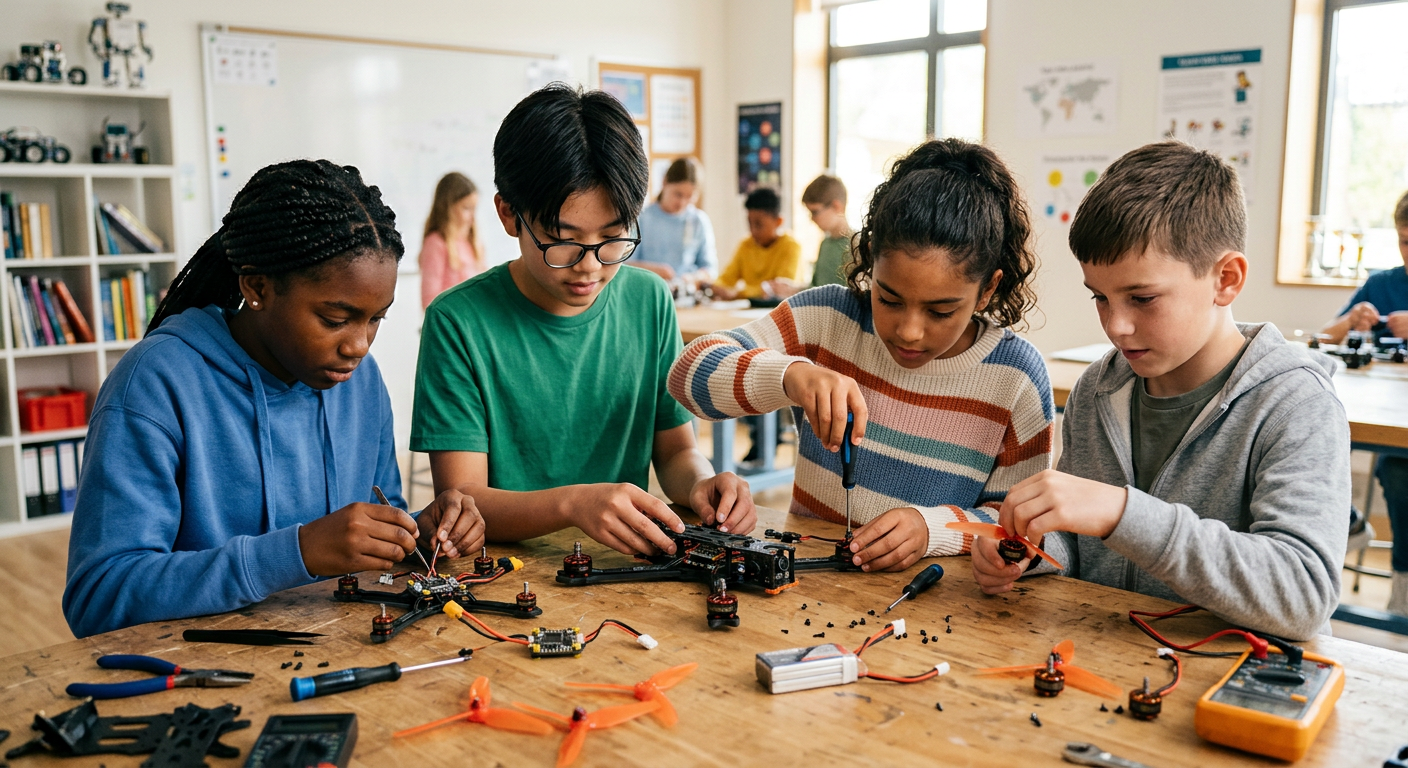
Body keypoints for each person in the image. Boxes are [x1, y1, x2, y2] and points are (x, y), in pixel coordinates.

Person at [63, 160, 482, 637]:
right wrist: (296, 553)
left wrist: (418, 535)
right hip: (197, 674)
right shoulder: (154, 384)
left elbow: (379, 520)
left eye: (375, 320)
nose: (359, 346)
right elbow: (97, 597)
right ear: (257, 287)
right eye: (334, 318)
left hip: (335, 654)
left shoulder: (360, 381)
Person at [970, 142, 1350, 640]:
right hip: (1106, 660)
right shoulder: (1100, 388)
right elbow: (1082, 545)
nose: (1117, 326)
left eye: (1142, 298)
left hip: (1218, 678)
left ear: (1226, 280)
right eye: (1100, 298)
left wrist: (1124, 513)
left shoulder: (1295, 405)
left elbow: (1303, 596)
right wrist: (1032, 553)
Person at [671, 139, 1051, 572]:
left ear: (987, 289)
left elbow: (1025, 531)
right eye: (888, 298)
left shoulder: (1016, 378)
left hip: (933, 613)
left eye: (941, 310)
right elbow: (688, 374)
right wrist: (791, 375)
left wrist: (934, 530)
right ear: (871, 260)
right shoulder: (828, 318)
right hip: (810, 592)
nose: (908, 330)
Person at [411, 84, 755, 559]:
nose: (590, 266)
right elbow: (463, 503)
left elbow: (675, 452)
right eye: (563, 240)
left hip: (622, 570)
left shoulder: (649, 300)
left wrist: (701, 482)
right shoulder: (458, 322)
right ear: (509, 214)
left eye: (613, 237)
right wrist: (575, 503)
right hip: (507, 576)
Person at [1318, 190, 1408, 616]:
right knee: (1316, 428)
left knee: (1401, 471)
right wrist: (1350, 321)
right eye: (1405, 241)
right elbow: (1322, 337)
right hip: (1380, 404)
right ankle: (1346, 520)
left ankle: (1403, 593)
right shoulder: (1383, 282)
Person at [632, 157, 716, 283]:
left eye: (689, 197)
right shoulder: (641, 218)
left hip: (686, 295)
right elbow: (625, 265)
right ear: (664, 182)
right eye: (678, 194)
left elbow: (710, 270)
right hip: (648, 289)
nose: (682, 203)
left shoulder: (698, 221)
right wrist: (654, 271)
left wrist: (692, 278)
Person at [767, 174, 852, 299]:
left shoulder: (856, 245)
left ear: (836, 206)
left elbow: (848, 294)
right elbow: (818, 287)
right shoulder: (825, 243)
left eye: (815, 212)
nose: (812, 218)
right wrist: (793, 289)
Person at [712, 187, 801, 300]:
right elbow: (724, 281)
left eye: (759, 225)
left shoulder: (791, 247)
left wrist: (737, 293)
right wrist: (717, 288)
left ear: (779, 221)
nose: (752, 231)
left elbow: (778, 290)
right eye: (749, 223)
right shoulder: (746, 245)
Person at [420, 171, 487, 310]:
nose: (473, 217)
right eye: (466, 208)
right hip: (453, 325)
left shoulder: (473, 244)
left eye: (475, 208)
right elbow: (429, 302)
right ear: (448, 208)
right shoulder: (436, 243)